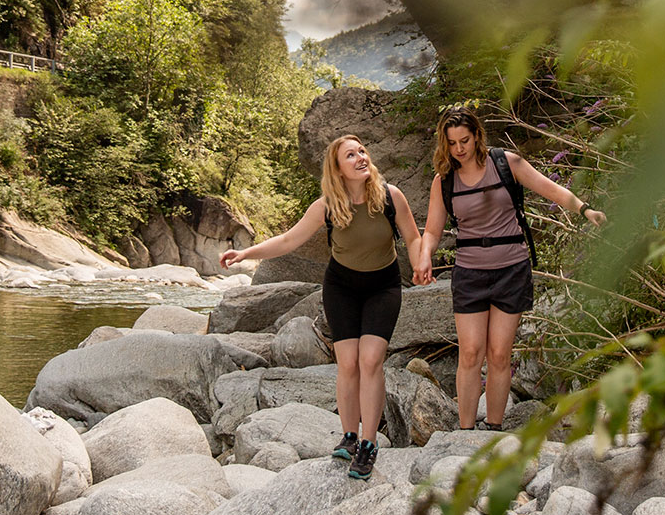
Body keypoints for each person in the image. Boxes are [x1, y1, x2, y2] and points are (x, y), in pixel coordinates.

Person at [221, 134, 428, 479]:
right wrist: (245, 253)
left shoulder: (391, 196)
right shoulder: (327, 207)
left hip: (383, 285)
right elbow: (288, 240)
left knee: (371, 359)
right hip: (342, 287)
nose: (361, 157)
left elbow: (413, 237)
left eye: (362, 150)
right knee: (347, 363)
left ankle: (369, 443)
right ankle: (348, 436)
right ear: (337, 168)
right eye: (351, 155)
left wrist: (422, 261)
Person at [421, 106, 605, 431]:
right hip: (469, 274)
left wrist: (584, 210)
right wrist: (424, 257)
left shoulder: (506, 163)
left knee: (499, 354)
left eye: (464, 140)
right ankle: (465, 431)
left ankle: (493, 427)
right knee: (470, 354)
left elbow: (551, 189)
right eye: (452, 143)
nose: (459, 148)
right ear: (444, 144)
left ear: (477, 136)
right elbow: (433, 230)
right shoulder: (444, 181)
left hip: (511, 270)